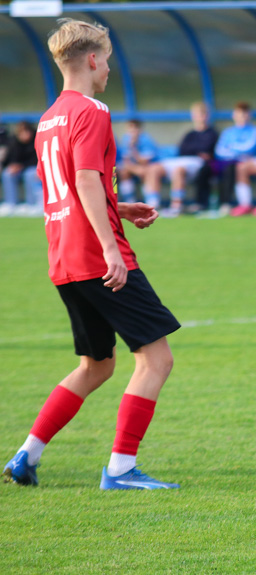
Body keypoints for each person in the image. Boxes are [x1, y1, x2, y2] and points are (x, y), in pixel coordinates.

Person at [2, 19, 181, 490]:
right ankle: (121, 469)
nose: (108, 73)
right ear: (94, 59)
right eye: (108, 62)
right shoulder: (93, 110)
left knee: (96, 364)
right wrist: (111, 247)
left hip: (62, 256)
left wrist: (117, 206)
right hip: (96, 256)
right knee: (156, 360)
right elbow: (82, 180)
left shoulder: (48, 118)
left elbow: (61, 192)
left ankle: (26, 455)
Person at [141, 101, 219, 215]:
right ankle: (152, 206)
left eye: (202, 114)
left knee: (179, 169)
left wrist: (195, 150)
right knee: (153, 168)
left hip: (197, 163)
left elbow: (207, 150)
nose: (199, 117)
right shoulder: (190, 134)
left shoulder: (212, 133)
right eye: (196, 114)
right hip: (182, 159)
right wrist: (197, 150)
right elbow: (183, 150)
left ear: (206, 115)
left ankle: (176, 206)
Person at [214, 101, 256, 212]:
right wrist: (235, 151)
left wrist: (231, 148)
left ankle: (228, 203)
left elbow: (249, 148)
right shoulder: (227, 132)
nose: (242, 117)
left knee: (233, 168)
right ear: (234, 115)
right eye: (239, 113)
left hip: (245, 162)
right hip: (226, 161)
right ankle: (201, 203)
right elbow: (219, 151)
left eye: (245, 114)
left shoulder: (255, 131)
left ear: (249, 115)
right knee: (206, 169)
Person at [1, 121, 42, 217]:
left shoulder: (36, 140)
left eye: (27, 132)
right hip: (18, 169)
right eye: (22, 133)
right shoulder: (13, 141)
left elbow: (36, 159)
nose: (25, 135)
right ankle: (11, 204)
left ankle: (31, 204)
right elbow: (11, 158)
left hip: (32, 167)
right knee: (7, 174)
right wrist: (13, 165)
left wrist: (22, 165)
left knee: (30, 174)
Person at [116, 119, 159, 203]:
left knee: (144, 171)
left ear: (139, 129)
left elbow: (144, 162)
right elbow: (126, 160)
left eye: (134, 128)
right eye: (129, 128)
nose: (131, 131)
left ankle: (152, 202)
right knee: (123, 172)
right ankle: (129, 201)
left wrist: (133, 148)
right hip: (134, 167)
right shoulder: (126, 139)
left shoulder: (146, 140)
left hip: (149, 166)